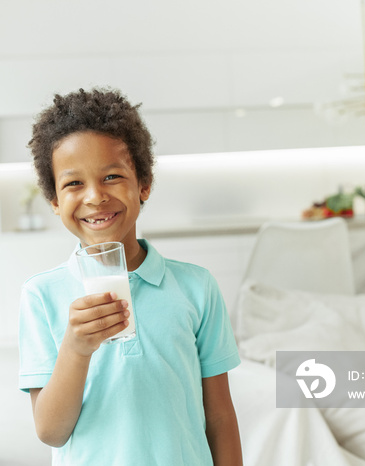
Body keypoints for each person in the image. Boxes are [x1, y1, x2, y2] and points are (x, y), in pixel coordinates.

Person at [18, 87, 243, 465]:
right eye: (74, 183)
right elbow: (51, 431)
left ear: (144, 184)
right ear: (55, 201)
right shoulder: (41, 295)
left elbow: (219, 416)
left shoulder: (196, 287)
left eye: (111, 176)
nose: (94, 197)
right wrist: (76, 348)